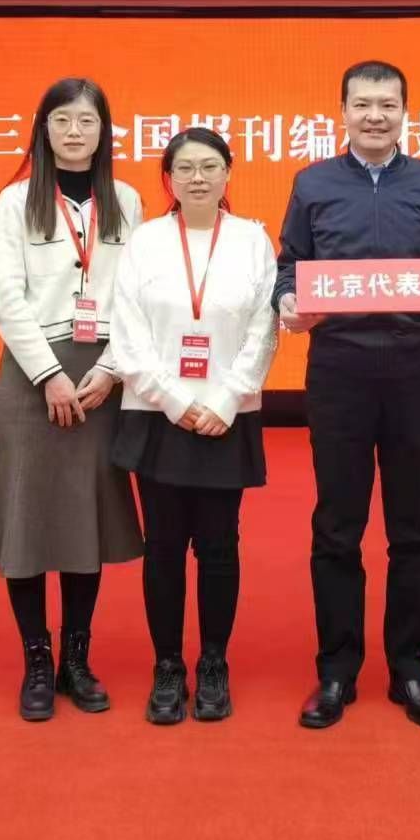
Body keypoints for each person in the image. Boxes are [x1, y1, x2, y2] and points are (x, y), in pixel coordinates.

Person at [275, 59, 420, 731]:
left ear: (404, 112)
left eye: (387, 104)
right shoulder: (313, 182)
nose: (374, 115)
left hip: (415, 370)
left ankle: (410, 670)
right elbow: (289, 266)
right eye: (362, 104)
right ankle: (336, 671)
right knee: (337, 526)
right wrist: (287, 302)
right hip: (339, 370)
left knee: (413, 527)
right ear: (342, 112)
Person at [0, 78, 144, 722]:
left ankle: (76, 655)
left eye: (87, 121)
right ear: (43, 129)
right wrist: (49, 374)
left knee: (82, 517)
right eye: (62, 120)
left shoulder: (126, 199)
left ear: (103, 131)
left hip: (100, 374)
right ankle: (36, 658)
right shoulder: (17, 200)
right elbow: (5, 297)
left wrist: (112, 369)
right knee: (29, 515)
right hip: (32, 372)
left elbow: (138, 294)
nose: (74, 132)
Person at [106, 128, 279, 725]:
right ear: (169, 179)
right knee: (163, 547)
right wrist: (175, 400)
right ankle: (167, 666)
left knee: (219, 546)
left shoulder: (252, 240)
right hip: (158, 414)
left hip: (227, 417)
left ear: (228, 173)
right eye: (184, 168)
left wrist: (227, 399)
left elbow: (264, 329)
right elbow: (127, 332)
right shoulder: (146, 242)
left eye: (209, 166)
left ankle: (212, 663)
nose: (198, 178)